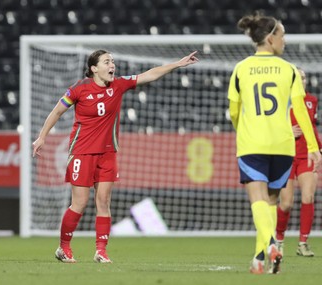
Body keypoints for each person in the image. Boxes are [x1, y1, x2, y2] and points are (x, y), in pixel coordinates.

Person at [32, 49, 199, 263]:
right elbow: (56, 112)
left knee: (104, 201)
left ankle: (101, 251)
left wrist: (177, 64)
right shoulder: (79, 89)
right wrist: (42, 137)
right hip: (82, 153)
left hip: (108, 153)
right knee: (80, 203)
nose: (112, 65)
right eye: (107, 62)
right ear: (94, 68)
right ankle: (63, 248)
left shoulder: (118, 85)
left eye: (113, 61)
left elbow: (149, 74)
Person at [227, 12, 322, 274]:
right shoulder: (289, 70)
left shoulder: (241, 68)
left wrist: (241, 130)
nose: (285, 40)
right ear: (270, 39)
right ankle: (260, 259)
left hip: (253, 143)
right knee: (271, 202)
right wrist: (314, 147)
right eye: (282, 35)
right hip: (283, 146)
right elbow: (302, 112)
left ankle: (270, 244)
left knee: (257, 199)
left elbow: (234, 111)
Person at [276, 68, 322, 257]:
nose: (302, 80)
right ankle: (278, 240)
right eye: (297, 77)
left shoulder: (312, 101)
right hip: (285, 156)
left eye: (303, 77)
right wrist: (287, 131)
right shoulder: (280, 102)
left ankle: (303, 243)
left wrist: (318, 149)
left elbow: (312, 127)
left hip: (306, 156)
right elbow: (271, 129)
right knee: (286, 203)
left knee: (308, 197)